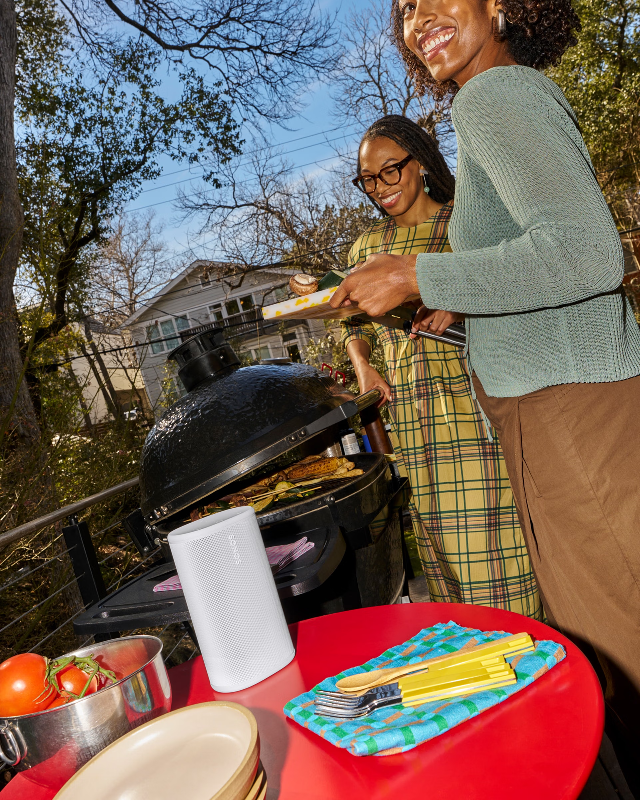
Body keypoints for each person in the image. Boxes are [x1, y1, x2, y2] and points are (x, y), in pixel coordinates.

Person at [330, 0, 640, 790]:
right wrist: (461, 300)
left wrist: (421, 272)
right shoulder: (505, 92)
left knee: (627, 650)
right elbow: (546, 259)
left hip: (572, 413)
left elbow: (587, 252)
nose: (417, 16)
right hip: (559, 406)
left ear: (500, 4)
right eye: (402, 8)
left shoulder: (491, 96)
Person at [343, 115, 541, 619]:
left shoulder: (466, 224)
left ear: (422, 163)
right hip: (411, 426)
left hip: (473, 415)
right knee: (446, 582)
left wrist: (460, 294)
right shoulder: (367, 250)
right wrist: (364, 366)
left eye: (390, 171)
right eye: (368, 179)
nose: (380, 188)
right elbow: (352, 321)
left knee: (497, 572)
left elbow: (517, 286)